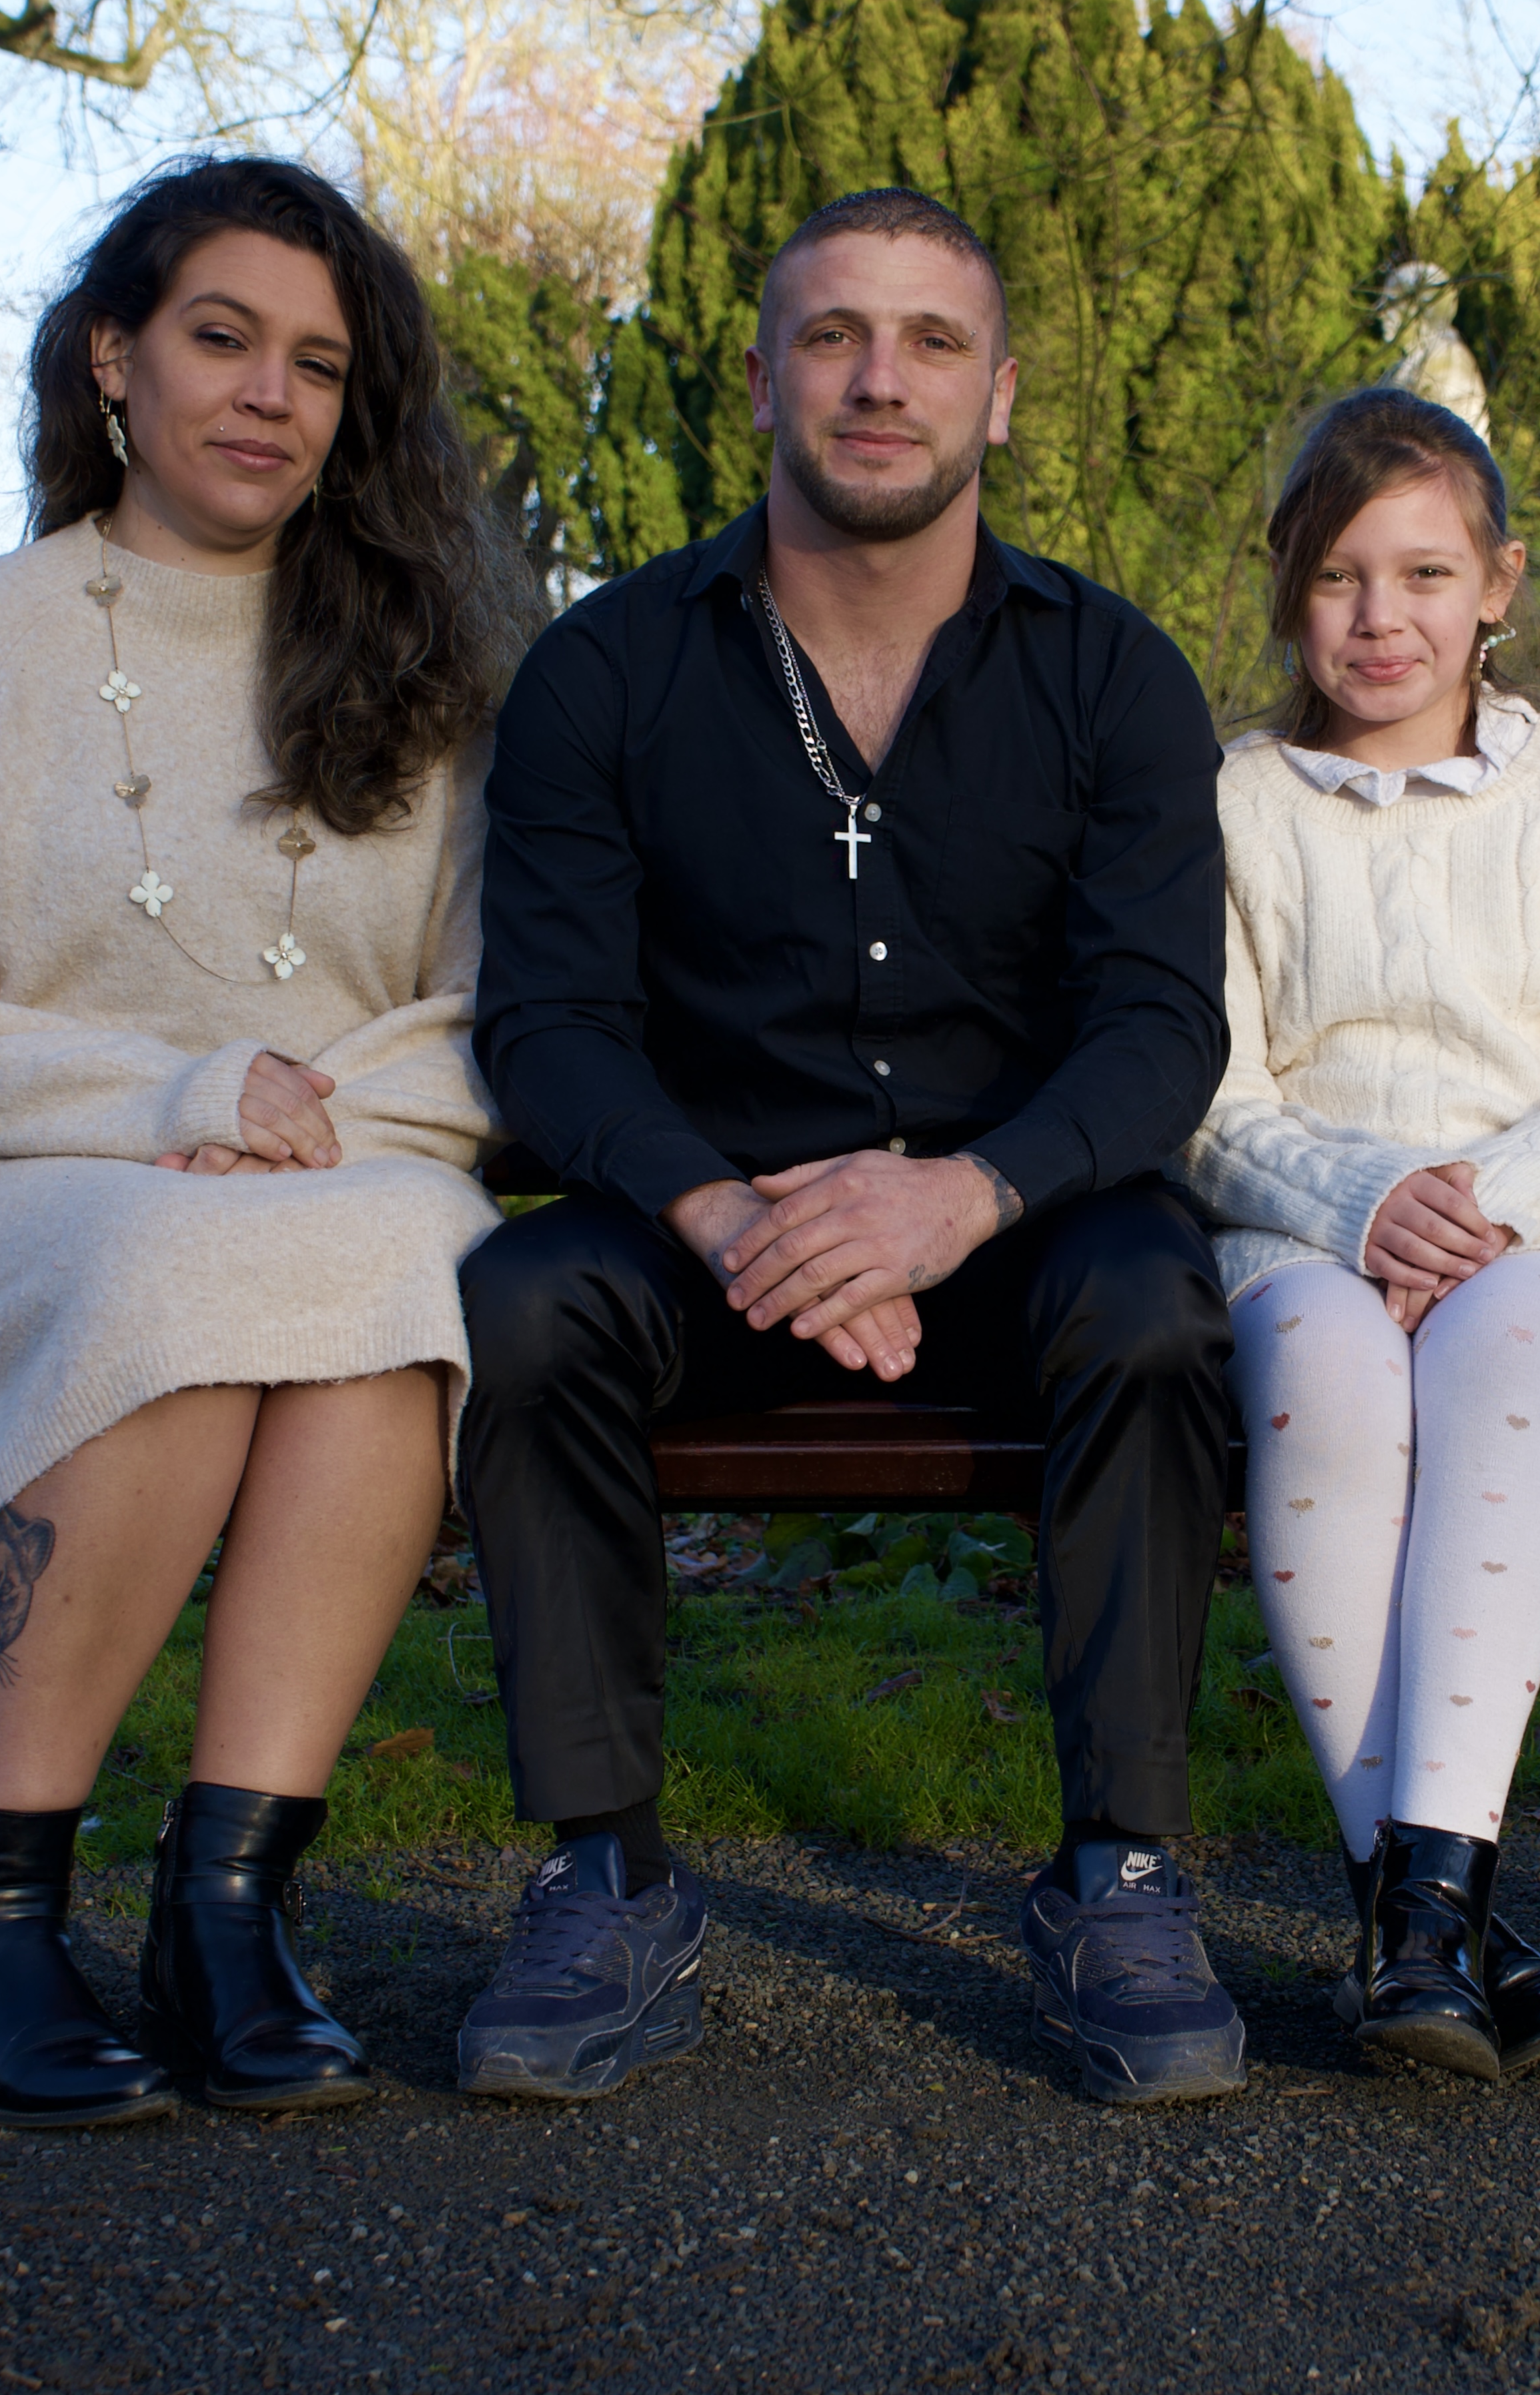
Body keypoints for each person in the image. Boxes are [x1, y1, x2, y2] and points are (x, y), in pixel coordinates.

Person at [455, 187, 1245, 2109]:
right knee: (528, 1297)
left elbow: (1161, 1029)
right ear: (756, 381)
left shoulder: (1108, 675)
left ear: (997, 400)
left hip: (1016, 1226)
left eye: (929, 343)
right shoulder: (608, 670)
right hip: (706, 1229)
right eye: (830, 336)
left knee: (1153, 1301)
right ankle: (606, 1875)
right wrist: (728, 1214)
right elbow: (545, 1026)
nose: (877, 380)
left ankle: (1121, 1873)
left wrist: (957, 1195)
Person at [0, 155, 528, 2127]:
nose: (266, 394)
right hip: (6, 1203)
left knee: (384, 1269)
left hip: (338, 1186)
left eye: (315, 364)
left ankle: (225, 1907)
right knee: (174, 1265)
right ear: (113, 356)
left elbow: (485, 1017)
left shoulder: (421, 680)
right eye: (221, 338)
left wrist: (300, 1125)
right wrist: (168, 1106)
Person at [1181, 387, 1540, 2082]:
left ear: (1500, 584)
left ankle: (1416, 1921)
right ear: (1288, 590)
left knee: (1492, 1354)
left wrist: (1470, 1209)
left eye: (1422, 574)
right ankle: (1437, 1928)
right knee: (1320, 1377)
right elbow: (1204, 1088)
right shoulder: (1237, 800)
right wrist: (1356, 1206)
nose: (1379, 616)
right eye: (1338, 576)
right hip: (1304, 1233)